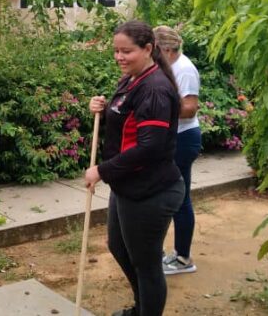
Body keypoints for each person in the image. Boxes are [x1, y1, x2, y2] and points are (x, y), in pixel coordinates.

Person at [85, 20, 185, 316]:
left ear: (148, 49)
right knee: (119, 247)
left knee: (147, 264)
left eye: (126, 51)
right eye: (116, 51)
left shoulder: (154, 89)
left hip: (152, 191)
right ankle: (142, 307)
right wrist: (102, 110)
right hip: (128, 186)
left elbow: (150, 147)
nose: (119, 57)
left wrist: (101, 171)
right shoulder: (131, 79)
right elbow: (126, 122)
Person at [154, 25, 202, 275]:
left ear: (168, 49)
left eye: (156, 50)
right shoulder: (170, 67)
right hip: (174, 139)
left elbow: (190, 108)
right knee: (170, 196)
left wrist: (157, 108)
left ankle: (183, 258)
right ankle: (169, 254)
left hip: (184, 139)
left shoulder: (183, 69)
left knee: (179, 198)